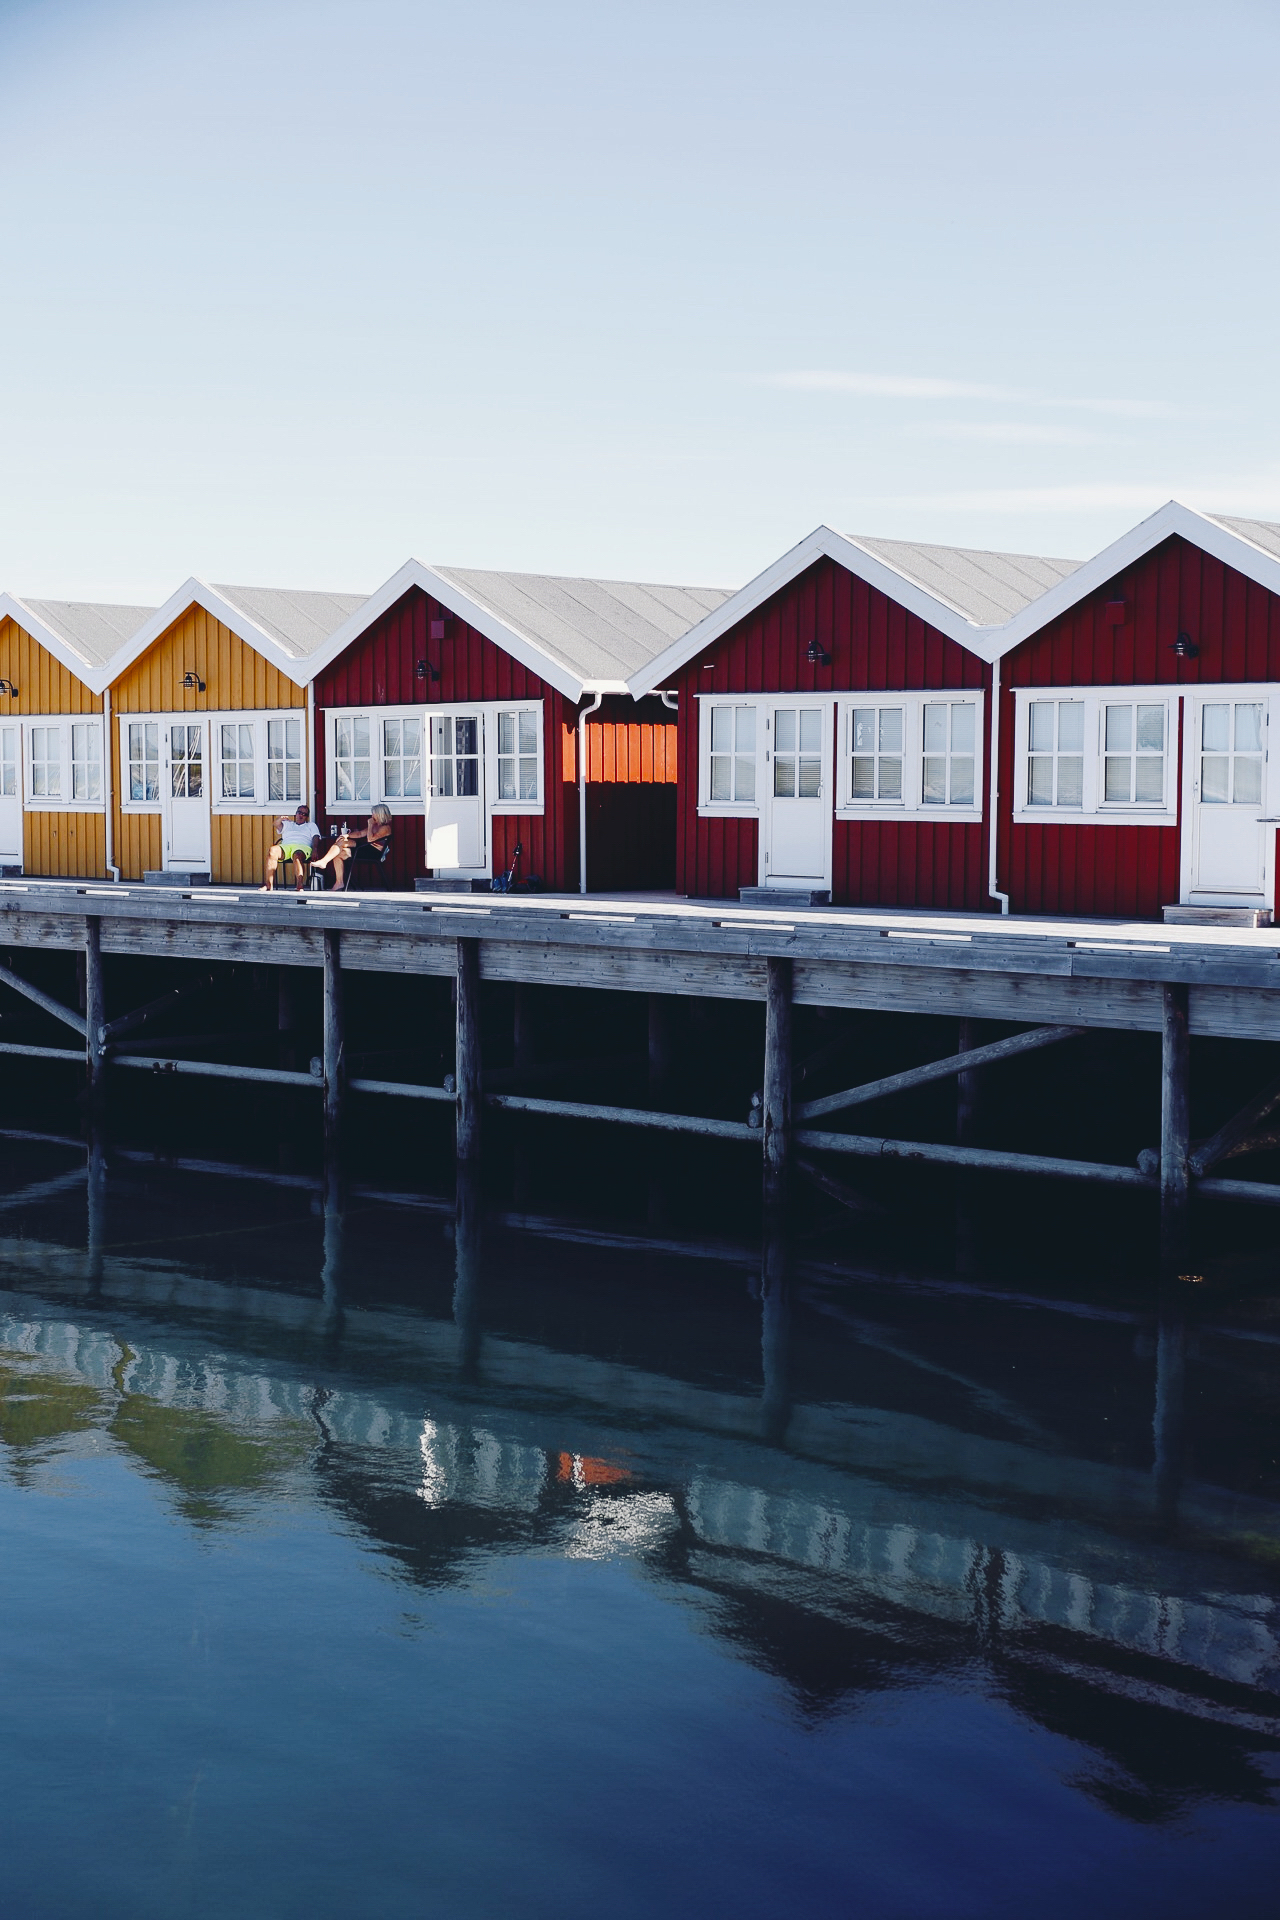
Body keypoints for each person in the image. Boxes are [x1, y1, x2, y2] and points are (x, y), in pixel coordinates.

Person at [310, 803, 393, 891]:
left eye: (374, 813)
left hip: (374, 852)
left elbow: (370, 839)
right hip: (366, 848)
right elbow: (360, 834)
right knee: (340, 846)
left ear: (380, 814)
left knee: (339, 852)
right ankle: (339, 882)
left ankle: (324, 862)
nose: (372, 815)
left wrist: (370, 825)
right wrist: (346, 835)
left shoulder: (385, 828)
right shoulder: (375, 825)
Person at [261, 804, 321, 892]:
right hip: (286, 846)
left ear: (307, 817)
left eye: (304, 814)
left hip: (303, 847)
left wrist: (315, 849)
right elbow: (276, 824)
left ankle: (299, 885)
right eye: (299, 812)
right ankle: (268, 885)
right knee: (272, 850)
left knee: (297, 855)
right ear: (296, 813)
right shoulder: (288, 824)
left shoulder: (311, 825)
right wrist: (280, 818)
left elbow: (316, 837)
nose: (301, 815)